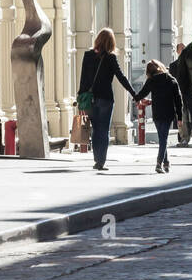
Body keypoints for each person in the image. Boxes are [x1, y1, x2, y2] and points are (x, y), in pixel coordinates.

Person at [78, 28, 136, 171]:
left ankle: (97, 158)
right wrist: (134, 93)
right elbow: (121, 77)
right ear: (111, 42)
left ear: (97, 40)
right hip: (105, 99)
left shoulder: (88, 55)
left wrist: (80, 96)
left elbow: (83, 78)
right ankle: (100, 161)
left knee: (96, 129)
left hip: (89, 99)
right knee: (103, 131)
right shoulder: (111, 57)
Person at [136, 60, 184, 174]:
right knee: (163, 138)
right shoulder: (171, 80)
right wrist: (180, 117)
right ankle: (159, 163)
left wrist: (135, 97)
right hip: (168, 113)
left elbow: (142, 93)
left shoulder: (151, 80)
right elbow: (178, 100)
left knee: (162, 138)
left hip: (157, 113)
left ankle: (165, 162)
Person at [169, 42, 190, 146]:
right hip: (178, 95)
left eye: (184, 48)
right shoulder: (173, 66)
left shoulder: (190, 64)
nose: (183, 50)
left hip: (189, 94)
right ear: (177, 51)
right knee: (181, 117)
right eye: (181, 49)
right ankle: (183, 138)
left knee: (191, 116)